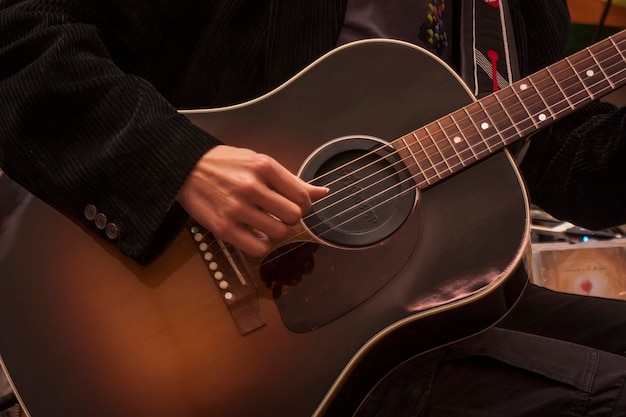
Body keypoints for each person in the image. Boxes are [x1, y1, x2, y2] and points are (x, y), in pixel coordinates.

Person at [0, 0, 625, 416]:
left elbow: (544, 148)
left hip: (417, 302)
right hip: (213, 325)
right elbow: (17, 34)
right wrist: (177, 163)